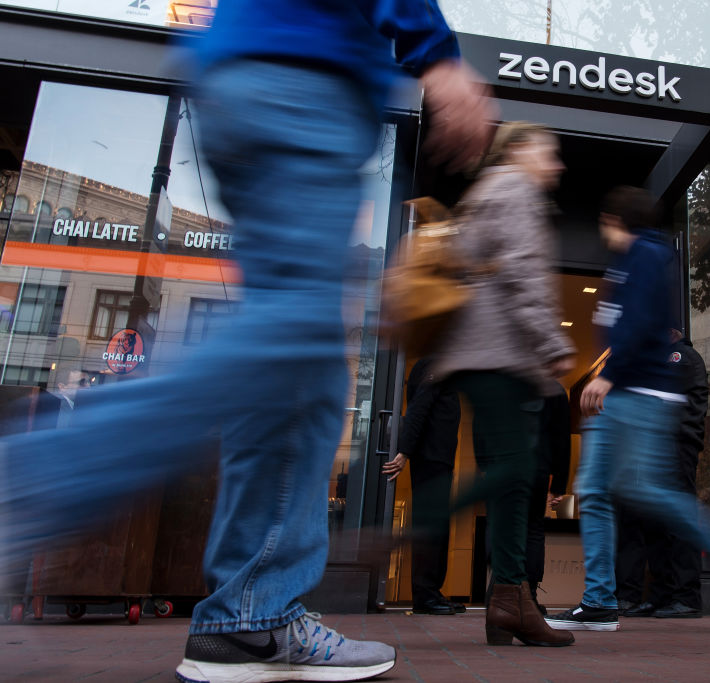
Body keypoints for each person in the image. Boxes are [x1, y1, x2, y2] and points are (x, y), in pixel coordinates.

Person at [0, 1, 495, 682]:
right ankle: (32, 480)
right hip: (300, 86)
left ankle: (248, 618)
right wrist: (436, 53)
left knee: (301, 376)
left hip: (256, 77)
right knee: (293, 339)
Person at [545, 186, 710, 633]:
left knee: (643, 492)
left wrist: (610, 374)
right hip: (634, 391)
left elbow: (644, 322)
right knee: (603, 491)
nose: (602, 228)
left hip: (638, 392)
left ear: (615, 219)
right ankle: (599, 601)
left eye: (605, 220)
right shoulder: (631, 260)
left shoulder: (646, 255)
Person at [432, 121, 577, 647]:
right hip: (502, 359)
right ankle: (408, 530)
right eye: (548, 152)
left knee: (512, 485)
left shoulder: (485, 190)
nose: (556, 164)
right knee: (516, 474)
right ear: (518, 150)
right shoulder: (515, 187)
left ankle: (510, 604)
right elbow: (522, 273)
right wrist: (553, 343)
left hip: (483, 358)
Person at [616, 334, 708, 619]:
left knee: (678, 523)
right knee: (657, 524)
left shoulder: (680, 357)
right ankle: (662, 596)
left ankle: (686, 597)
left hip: (675, 447)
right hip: (660, 448)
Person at [381, 357, 463, 615]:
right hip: (431, 457)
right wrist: (404, 451)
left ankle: (431, 592)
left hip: (438, 458)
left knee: (437, 527)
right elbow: (419, 407)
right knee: (430, 528)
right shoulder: (434, 365)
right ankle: (425, 596)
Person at [524, 383, 573, 614]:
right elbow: (561, 438)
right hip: (537, 468)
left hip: (504, 466)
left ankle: (501, 592)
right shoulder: (554, 388)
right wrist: (559, 484)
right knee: (534, 530)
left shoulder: (504, 378)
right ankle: (529, 597)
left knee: (502, 528)